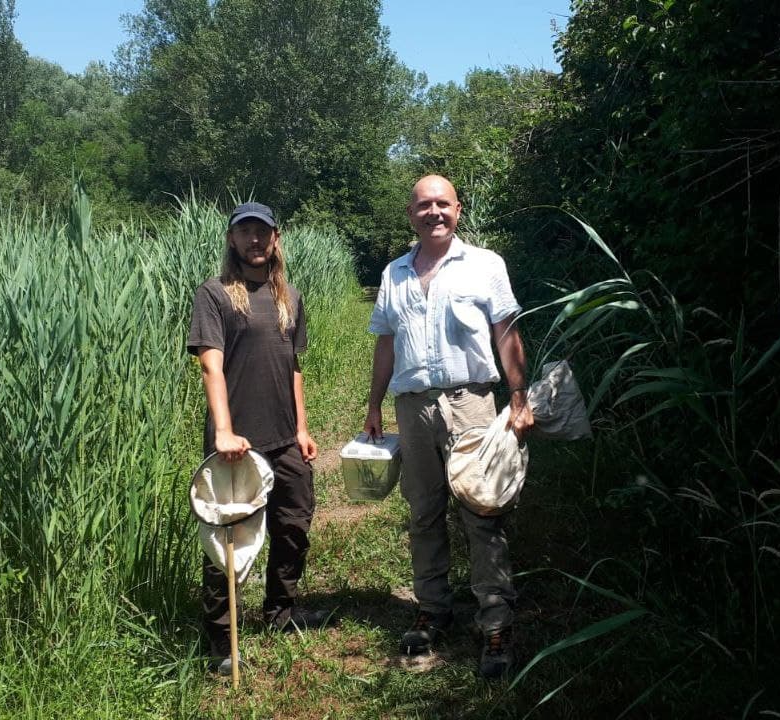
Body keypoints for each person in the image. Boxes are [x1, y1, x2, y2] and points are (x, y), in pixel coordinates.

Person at [364, 175, 535, 679]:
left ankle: (496, 620)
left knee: (483, 512)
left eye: (442, 203)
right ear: (411, 214)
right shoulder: (393, 273)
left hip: (473, 404)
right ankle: (432, 608)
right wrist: (373, 405)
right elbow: (385, 343)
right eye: (423, 205)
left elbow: (506, 332)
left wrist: (519, 395)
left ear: (457, 210)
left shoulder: (485, 265)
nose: (433, 212)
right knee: (424, 512)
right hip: (413, 407)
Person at [187, 201, 330, 673]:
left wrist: (302, 428)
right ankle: (222, 642)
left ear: (275, 238)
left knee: (294, 523)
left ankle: (280, 612)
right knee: (229, 535)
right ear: (232, 239)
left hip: (285, 437)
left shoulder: (288, 295)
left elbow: (293, 367)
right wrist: (224, 431)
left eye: (262, 232)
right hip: (235, 443)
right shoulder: (216, 294)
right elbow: (211, 364)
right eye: (244, 231)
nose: (254, 240)